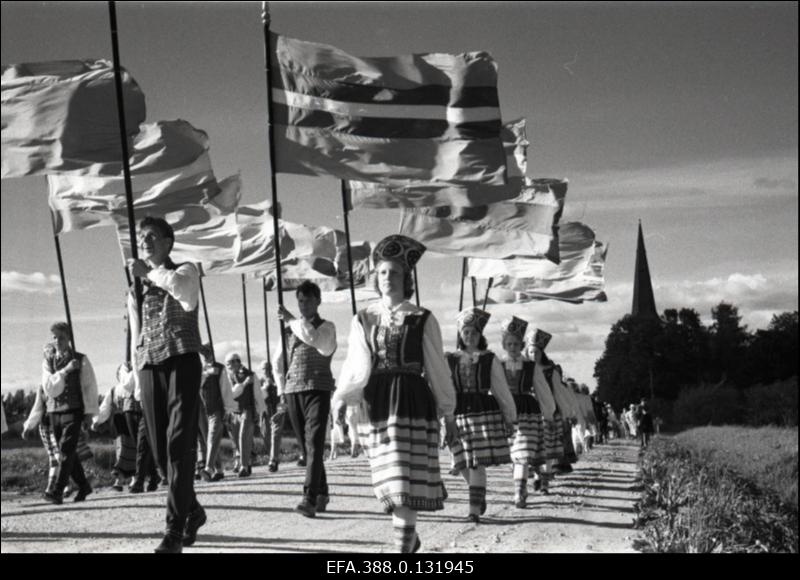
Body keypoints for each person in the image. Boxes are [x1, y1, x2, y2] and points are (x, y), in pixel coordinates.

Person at [333, 235, 457, 552]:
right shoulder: (363, 318)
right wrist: (344, 400)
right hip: (378, 401)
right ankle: (409, 538)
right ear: (376, 278)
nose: (389, 278)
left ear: (407, 278)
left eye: (396, 272)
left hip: (413, 400)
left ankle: (402, 548)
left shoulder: (422, 318)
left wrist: (448, 413)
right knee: (389, 479)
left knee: (404, 476)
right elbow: (356, 365)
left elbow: (437, 368)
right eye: (384, 272)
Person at [127, 216, 206, 553]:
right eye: (142, 236)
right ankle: (193, 509)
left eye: (152, 236)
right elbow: (135, 329)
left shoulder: (186, 270)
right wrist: (133, 373)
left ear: (168, 242)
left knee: (178, 445)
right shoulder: (136, 286)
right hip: (148, 364)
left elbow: (185, 295)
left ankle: (174, 532)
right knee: (159, 452)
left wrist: (149, 274)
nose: (145, 241)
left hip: (181, 360)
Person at [273, 281, 337, 517]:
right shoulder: (289, 330)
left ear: (318, 301)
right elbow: (278, 361)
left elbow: (316, 341)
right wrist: (281, 388)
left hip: (318, 388)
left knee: (314, 443)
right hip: (293, 389)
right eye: (300, 300)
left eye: (309, 300)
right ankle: (322, 490)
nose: (304, 305)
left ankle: (309, 497)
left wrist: (291, 320)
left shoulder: (327, 327)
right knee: (307, 446)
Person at [447, 307, 516, 522]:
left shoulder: (489, 359)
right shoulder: (450, 359)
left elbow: (500, 387)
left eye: (474, 333)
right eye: (466, 332)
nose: (470, 336)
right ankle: (478, 493)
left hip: (481, 410)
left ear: (480, 336)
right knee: (461, 462)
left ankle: (473, 510)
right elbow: (444, 387)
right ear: (460, 334)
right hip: (457, 411)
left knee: (476, 461)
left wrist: (509, 415)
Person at [21, 322, 98, 504]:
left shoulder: (81, 359)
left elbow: (89, 388)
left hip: (74, 411)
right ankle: (84, 485)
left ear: (69, 338)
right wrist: (66, 370)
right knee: (69, 454)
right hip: (54, 412)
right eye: (54, 337)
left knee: (65, 450)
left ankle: (56, 491)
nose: (57, 341)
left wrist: (89, 414)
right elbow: (49, 388)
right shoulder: (48, 362)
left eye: (61, 337)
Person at [497, 316, 546, 508]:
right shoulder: (497, 364)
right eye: (509, 343)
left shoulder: (531, 366)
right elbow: (495, 388)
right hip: (507, 411)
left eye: (516, 343)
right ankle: (521, 485)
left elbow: (542, 389)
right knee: (514, 455)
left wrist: (548, 411)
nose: (513, 347)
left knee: (523, 454)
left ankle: (518, 493)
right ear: (503, 344)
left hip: (527, 410)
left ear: (522, 344)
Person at [524, 329, 561, 493]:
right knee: (530, 448)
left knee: (545, 449)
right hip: (528, 413)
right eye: (531, 352)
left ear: (541, 353)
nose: (533, 355)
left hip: (547, 412)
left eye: (536, 352)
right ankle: (537, 476)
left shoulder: (550, 371)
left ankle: (544, 482)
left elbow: (558, 392)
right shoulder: (522, 369)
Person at [92, 363, 138, 491]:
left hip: (132, 424)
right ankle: (120, 481)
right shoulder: (113, 391)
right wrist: (96, 420)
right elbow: (104, 409)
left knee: (130, 451)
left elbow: (104, 409)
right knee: (123, 452)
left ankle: (131, 480)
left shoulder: (136, 388)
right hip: (121, 426)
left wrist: (96, 420)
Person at [224, 351, 266, 477]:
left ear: (237, 362)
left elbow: (258, 395)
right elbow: (230, 395)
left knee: (244, 437)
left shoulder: (251, 376)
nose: (229, 366)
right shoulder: (227, 378)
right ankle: (246, 462)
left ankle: (244, 466)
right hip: (234, 412)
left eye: (230, 363)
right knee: (236, 440)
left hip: (247, 410)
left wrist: (261, 411)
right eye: (227, 364)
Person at [198, 344, 236, 482]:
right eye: (203, 351)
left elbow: (225, 388)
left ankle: (208, 468)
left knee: (212, 437)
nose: (205, 354)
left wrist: (228, 409)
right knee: (208, 440)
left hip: (216, 409)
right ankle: (219, 469)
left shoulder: (220, 368)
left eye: (207, 351)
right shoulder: (199, 369)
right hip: (202, 410)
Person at [258, 360, 285, 472]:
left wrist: (280, 411)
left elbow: (283, 397)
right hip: (265, 411)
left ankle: (273, 460)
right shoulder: (260, 381)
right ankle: (273, 456)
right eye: (264, 368)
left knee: (275, 434)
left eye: (269, 368)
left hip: (277, 409)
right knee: (265, 435)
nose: (267, 370)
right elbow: (258, 397)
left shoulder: (278, 379)